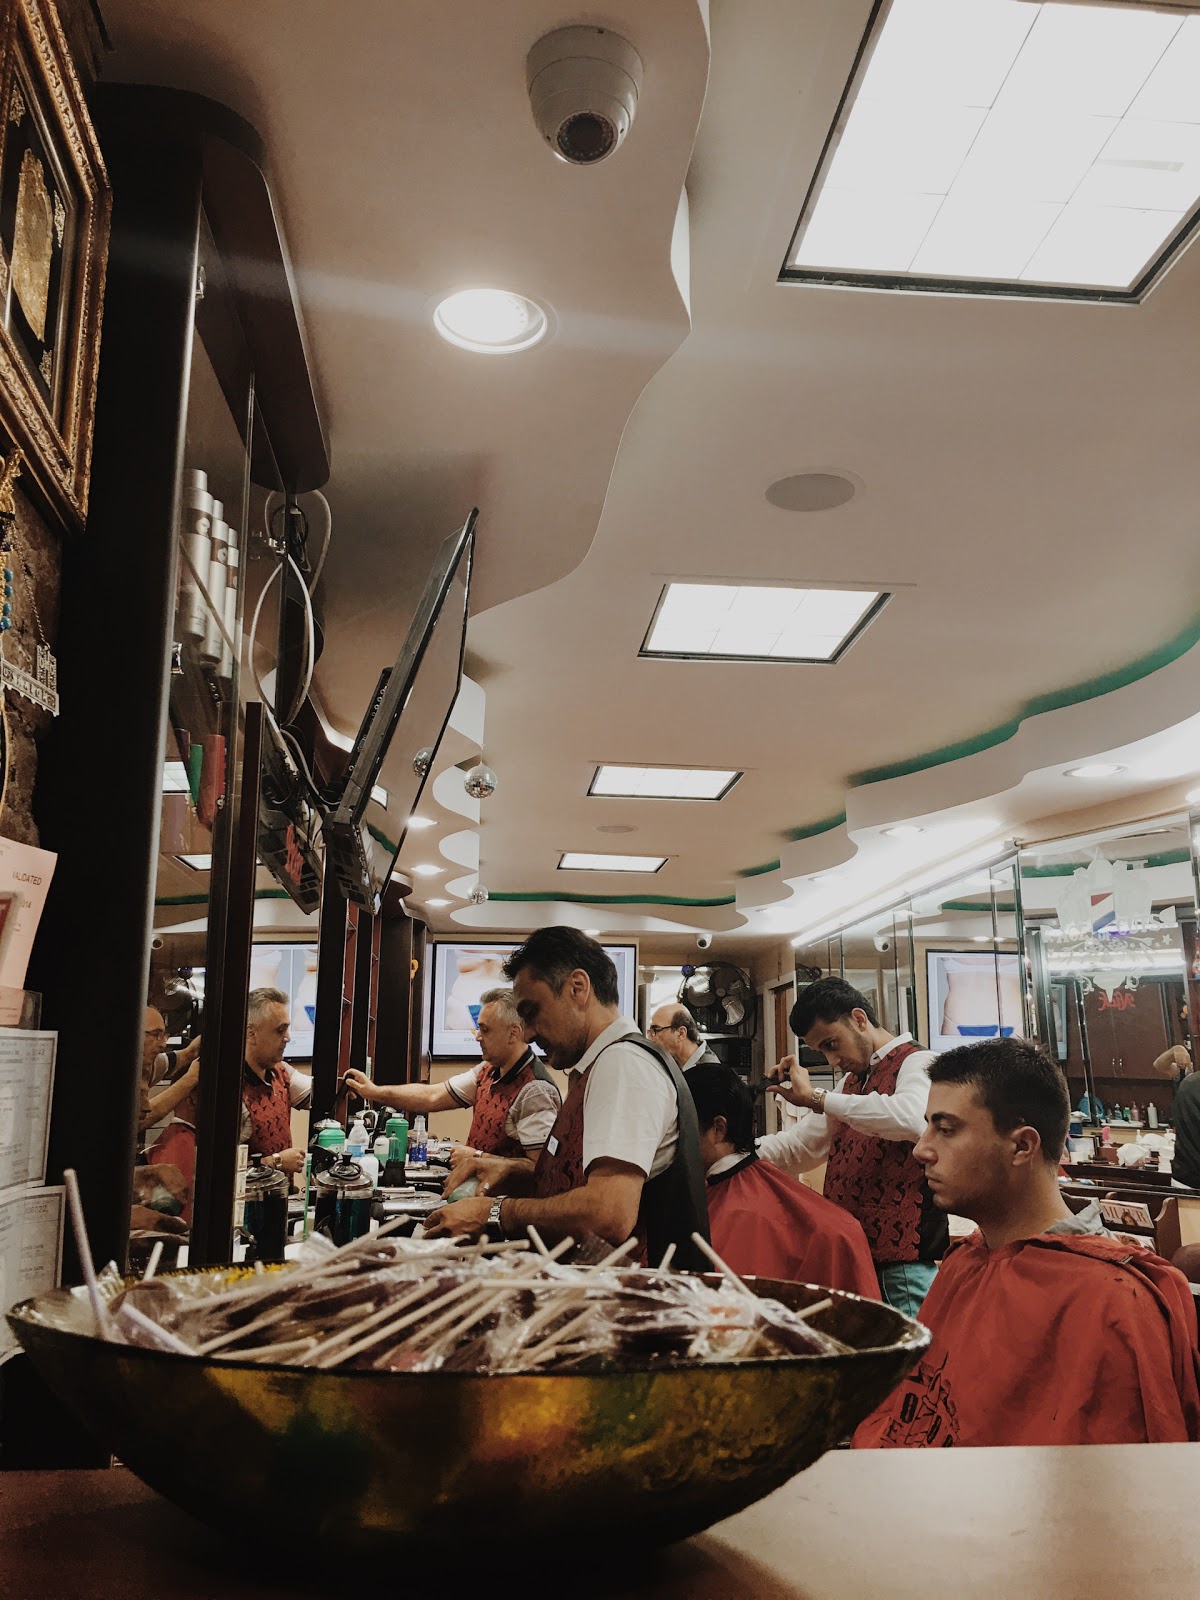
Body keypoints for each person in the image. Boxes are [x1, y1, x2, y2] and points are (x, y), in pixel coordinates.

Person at [855, 1038, 1200, 1448]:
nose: (921, 1149)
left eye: (946, 1129)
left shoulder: (1111, 1301)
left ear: (1022, 1146)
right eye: (928, 1125)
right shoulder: (966, 1262)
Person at [425, 927, 710, 1269]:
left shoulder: (623, 1064)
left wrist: (497, 1212)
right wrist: (510, 1170)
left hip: (629, 1305)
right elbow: (578, 1181)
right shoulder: (602, 1065)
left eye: (532, 1012)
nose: (527, 1033)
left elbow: (609, 1213)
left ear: (578, 988)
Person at [759, 977, 943, 1316]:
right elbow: (802, 1147)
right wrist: (736, 1152)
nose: (832, 1060)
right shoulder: (850, 1082)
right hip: (857, 1255)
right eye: (821, 1051)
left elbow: (912, 1118)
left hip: (902, 1263)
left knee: (911, 1364)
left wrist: (817, 1097)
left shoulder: (920, 1062)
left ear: (859, 1019)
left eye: (832, 1044)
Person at [687, 1063, 878, 1298]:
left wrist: (813, 1097)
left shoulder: (747, 1213)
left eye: (680, 1127)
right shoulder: (720, 1190)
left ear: (718, 1128)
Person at [343, 988, 561, 1158]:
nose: (478, 1037)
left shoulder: (535, 1091)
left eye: (485, 1030)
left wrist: (478, 1156)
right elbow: (432, 1096)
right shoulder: (487, 1071)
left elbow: (540, 1168)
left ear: (513, 1033)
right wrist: (374, 1092)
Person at [240, 987, 310, 1174]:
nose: (287, 1038)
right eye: (280, 1031)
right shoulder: (233, 1088)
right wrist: (276, 1162)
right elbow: (222, 1169)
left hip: (280, 1197)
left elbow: (325, 1094)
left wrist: (353, 1084)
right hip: (251, 1201)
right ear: (251, 1034)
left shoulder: (280, 1071)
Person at [139, 1006, 200, 1135]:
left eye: (164, 1035)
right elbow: (136, 1123)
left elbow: (187, 1055)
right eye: (156, 1034)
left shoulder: (151, 1064)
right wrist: (191, 1078)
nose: (163, 1045)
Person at [1159, 1046, 1200, 1189]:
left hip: (1183, 1180)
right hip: (1186, 1180)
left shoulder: (1189, 1080)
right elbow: (1160, 1065)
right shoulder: (1189, 1078)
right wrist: (1174, 1051)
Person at [648, 1004, 719, 1074]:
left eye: (656, 1030)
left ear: (681, 1033)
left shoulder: (711, 1072)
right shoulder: (672, 1061)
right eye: (650, 1031)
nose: (650, 1038)